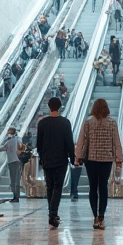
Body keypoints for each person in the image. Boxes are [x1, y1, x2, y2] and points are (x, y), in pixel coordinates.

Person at [74, 97, 123, 230]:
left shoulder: (88, 122)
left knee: (93, 187)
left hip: (91, 159)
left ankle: (95, 216)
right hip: (106, 160)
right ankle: (101, 217)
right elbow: (116, 141)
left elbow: (81, 140)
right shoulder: (112, 123)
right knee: (103, 188)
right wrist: (119, 158)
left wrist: (78, 157)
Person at [37, 96, 74, 229]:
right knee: (58, 187)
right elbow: (69, 142)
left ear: (49, 107)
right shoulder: (65, 123)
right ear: (60, 107)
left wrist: (42, 157)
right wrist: (73, 158)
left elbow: (39, 144)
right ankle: (53, 214)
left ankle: (52, 214)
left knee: (49, 187)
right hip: (61, 160)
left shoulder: (42, 123)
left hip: (47, 160)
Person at [0, 127, 23, 203]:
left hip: (14, 161)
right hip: (14, 161)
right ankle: (15, 196)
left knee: (14, 180)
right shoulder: (14, 140)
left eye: (8, 132)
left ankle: (16, 197)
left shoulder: (13, 140)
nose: (7, 134)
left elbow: (4, 148)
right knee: (14, 180)